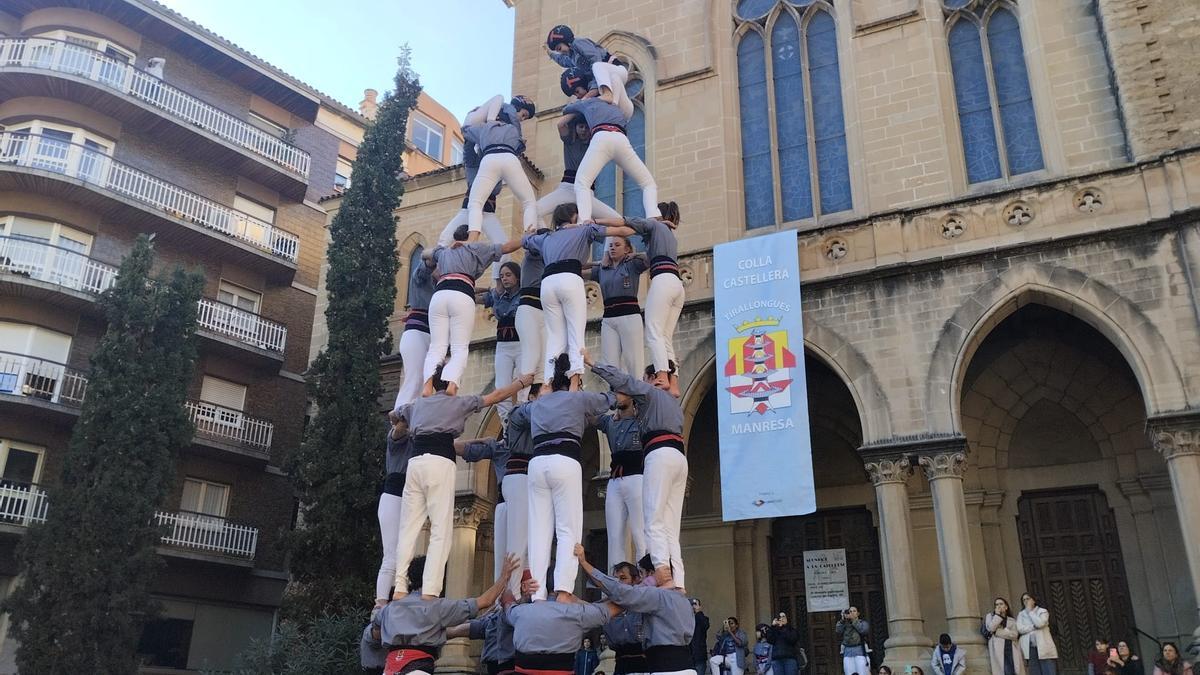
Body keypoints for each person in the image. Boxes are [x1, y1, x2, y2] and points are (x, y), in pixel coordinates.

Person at [392, 366, 531, 599]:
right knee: (440, 529)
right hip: (439, 463)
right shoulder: (456, 403)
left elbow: (394, 416)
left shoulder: (417, 405)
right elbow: (494, 397)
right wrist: (520, 383)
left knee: (408, 528)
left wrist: (409, 423)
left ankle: (399, 587)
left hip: (415, 462)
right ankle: (430, 590)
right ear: (451, 384)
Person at [588, 355, 689, 591]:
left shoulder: (650, 397)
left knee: (652, 521)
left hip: (658, 456)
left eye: (645, 378)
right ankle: (678, 580)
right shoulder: (671, 401)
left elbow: (624, 380)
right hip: (676, 456)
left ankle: (660, 573)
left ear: (654, 378)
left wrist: (593, 362)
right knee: (669, 525)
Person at [526, 353, 616, 601]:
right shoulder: (577, 400)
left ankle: (537, 594)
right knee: (567, 529)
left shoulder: (538, 403)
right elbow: (610, 399)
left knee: (539, 531)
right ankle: (564, 589)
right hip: (564, 460)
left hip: (537, 463)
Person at [522, 204, 634, 386]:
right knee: (576, 333)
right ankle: (574, 383)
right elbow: (625, 230)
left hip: (548, 283)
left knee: (555, 336)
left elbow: (524, 240)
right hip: (569, 279)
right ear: (574, 216)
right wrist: (596, 221)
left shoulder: (546, 237)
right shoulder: (584, 230)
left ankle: (547, 384)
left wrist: (529, 233)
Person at [368, 554, 520, 675]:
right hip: (419, 667)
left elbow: (375, 635)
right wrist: (504, 577)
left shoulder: (390, 608)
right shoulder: (438, 607)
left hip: (391, 667)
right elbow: (484, 601)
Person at [421, 225, 523, 391]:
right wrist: (527, 238)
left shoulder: (444, 252)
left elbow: (424, 254)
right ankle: (452, 384)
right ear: (472, 235)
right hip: (461, 295)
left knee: (436, 346)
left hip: (439, 296)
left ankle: (427, 385)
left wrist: (446, 248)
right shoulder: (477, 248)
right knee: (459, 347)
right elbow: (506, 247)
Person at [599, 201, 683, 396]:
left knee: (653, 331)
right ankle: (674, 382)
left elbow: (623, 225)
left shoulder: (654, 225)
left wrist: (595, 222)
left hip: (662, 280)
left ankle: (661, 375)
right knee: (665, 337)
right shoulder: (669, 234)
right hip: (677, 283)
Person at [577, 544, 696, 675]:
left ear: (652, 574)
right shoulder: (682, 598)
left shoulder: (657, 596)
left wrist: (585, 564)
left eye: (643, 574)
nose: (642, 580)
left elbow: (620, 592)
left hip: (665, 668)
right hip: (685, 666)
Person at [562, 96, 658, 223]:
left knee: (581, 183)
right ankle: (654, 215)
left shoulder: (588, 102)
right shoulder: (617, 106)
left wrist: (583, 101)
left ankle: (584, 222)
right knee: (648, 183)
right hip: (621, 138)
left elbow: (566, 110)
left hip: (601, 136)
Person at [537, 106, 622, 228]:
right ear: (576, 128)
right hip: (568, 188)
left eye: (587, 128)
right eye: (581, 127)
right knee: (533, 211)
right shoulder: (570, 141)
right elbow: (560, 124)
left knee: (617, 221)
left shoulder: (596, 144)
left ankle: (608, 248)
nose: (583, 130)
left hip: (586, 192)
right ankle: (547, 240)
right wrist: (580, 108)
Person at [507, 583, 620, 675]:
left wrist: (517, 590)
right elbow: (617, 607)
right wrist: (577, 601)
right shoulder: (576, 613)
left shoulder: (520, 611)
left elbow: (506, 601)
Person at [466, 97, 539, 238]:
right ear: (516, 110)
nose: (522, 119)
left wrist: (479, 116)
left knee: (475, 203)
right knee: (529, 201)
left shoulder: (483, 128)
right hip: (509, 159)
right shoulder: (514, 130)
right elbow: (519, 147)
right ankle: (530, 237)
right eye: (523, 115)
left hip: (489, 159)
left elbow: (466, 132)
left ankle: (472, 240)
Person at [596, 397, 646, 571]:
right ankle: (614, 581)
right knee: (614, 536)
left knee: (640, 534)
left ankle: (645, 577)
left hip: (637, 478)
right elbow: (590, 413)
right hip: (615, 481)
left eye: (622, 393)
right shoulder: (610, 422)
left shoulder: (641, 420)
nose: (619, 396)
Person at [545, 25, 634, 120]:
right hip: (613, 80)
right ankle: (613, 106)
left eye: (559, 48)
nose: (561, 52)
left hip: (615, 69)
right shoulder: (573, 57)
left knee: (596, 65)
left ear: (566, 41)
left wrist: (587, 96)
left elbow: (595, 58)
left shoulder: (578, 43)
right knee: (610, 103)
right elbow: (563, 61)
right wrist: (550, 53)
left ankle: (607, 94)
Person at [592, 235, 648, 378]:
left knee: (634, 361)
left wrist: (635, 254)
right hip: (609, 318)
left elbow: (652, 258)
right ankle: (615, 396)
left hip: (629, 315)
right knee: (609, 364)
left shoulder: (632, 263)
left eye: (617, 245)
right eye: (610, 246)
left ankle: (637, 395)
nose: (613, 248)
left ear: (626, 249)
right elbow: (580, 272)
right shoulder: (603, 268)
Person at [375, 407, 412, 608]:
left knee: (403, 555)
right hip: (395, 495)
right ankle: (380, 603)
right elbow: (399, 428)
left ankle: (396, 599)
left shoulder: (418, 441)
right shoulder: (398, 439)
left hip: (408, 497)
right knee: (391, 555)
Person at [480, 261, 524, 421]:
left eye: (508, 275)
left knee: (522, 386)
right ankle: (506, 427)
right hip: (503, 346)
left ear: (517, 277)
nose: (504, 279)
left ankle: (522, 423)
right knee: (501, 387)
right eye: (502, 276)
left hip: (521, 345)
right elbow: (475, 297)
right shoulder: (497, 295)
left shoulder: (524, 294)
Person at [396, 252, 437, 409]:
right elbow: (422, 270)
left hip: (431, 336)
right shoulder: (421, 280)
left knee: (424, 382)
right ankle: (399, 419)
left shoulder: (440, 287)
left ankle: (411, 420)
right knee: (414, 379)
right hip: (417, 333)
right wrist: (433, 259)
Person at [604, 562, 647, 675]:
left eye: (623, 578)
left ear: (636, 580)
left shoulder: (644, 604)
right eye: (615, 579)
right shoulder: (608, 607)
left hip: (644, 666)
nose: (618, 583)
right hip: (620, 666)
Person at [1017, 593, 1059, 675]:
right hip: (1030, 647)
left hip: (1043, 645)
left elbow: (1040, 623)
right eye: (1024, 600)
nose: (1026, 601)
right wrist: (1033, 626)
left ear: (1034, 600)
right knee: (1034, 671)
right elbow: (1020, 629)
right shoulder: (1021, 614)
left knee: (1048, 670)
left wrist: (1030, 612)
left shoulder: (1042, 611)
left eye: (1028, 599)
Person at [984, 597, 1024, 675]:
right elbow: (991, 628)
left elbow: (1014, 635)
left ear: (1006, 607)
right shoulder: (990, 617)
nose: (998, 606)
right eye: (996, 604)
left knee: (1014, 670)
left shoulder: (1011, 620)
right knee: (1005, 671)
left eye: (1001, 604)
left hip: (1011, 647)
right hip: (998, 648)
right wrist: (998, 616)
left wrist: (998, 632)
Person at [835, 607, 870, 675]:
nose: (852, 613)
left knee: (862, 672)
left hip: (860, 651)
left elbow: (863, 630)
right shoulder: (844, 624)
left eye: (854, 611)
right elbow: (838, 630)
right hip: (848, 651)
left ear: (858, 613)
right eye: (850, 611)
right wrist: (842, 620)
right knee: (849, 672)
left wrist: (854, 620)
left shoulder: (862, 622)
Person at [692, 598, 711, 675]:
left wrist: (698, 612)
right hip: (687, 656)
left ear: (700, 606)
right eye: (692, 605)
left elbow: (705, 625)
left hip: (699, 655)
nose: (693, 606)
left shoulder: (703, 618)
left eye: (696, 604)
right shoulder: (684, 618)